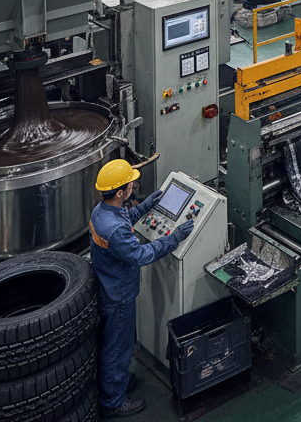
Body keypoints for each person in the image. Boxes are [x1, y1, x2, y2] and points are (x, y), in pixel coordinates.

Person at [91, 159, 193, 418]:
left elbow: (126, 218)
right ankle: (113, 400)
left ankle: (118, 380)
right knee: (118, 347)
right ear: (120, 192)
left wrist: (147, 206)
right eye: (130, 184)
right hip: (119, 295)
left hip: (108, 285)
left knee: (117, 343)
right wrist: (174, 238)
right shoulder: (114, 230)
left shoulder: (102, 212)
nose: (134, 185)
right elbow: (140, 254)